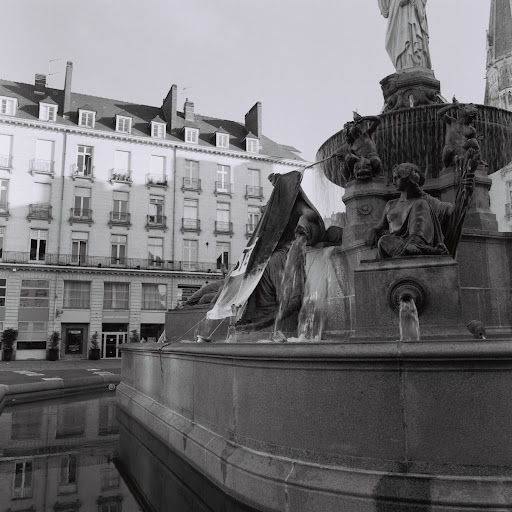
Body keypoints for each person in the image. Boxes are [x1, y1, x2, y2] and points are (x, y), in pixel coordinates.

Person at [237, 173, 324, 330]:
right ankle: (255, 310)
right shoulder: (276, 207)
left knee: (273, 261)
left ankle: (274, 305)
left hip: (291, 246)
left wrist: (303, 219)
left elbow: (310, 213)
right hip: (280, 247)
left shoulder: (296, 204)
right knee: (256, 265)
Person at [366, 163, 456, 258]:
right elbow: (380, 227)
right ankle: (424, 250)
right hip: (399, 244)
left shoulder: (426, 199)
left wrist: (463, 191)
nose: (393, 182)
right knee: (383, 240)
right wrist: (372, 230)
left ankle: (417, 244)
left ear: (409, 178)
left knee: (420, 203)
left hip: (417, 243)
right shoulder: (390, 204)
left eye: (397, 178)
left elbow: (451, 211)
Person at [378, 0, 431, 71]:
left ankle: (413, 64)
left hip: (411, 7)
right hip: (397, 9)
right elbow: (385, 10)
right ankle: (403, 65)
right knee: (402, 37)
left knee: (411, 33)